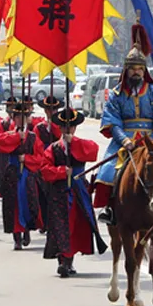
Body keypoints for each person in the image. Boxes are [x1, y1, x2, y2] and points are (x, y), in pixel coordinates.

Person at [94, 20, 153, 224]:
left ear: (144, 70)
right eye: (132, 69)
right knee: (108, 172)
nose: (136, 72)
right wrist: (124, 140)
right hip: (125, 141)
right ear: (126, 70)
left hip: (152, 141)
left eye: (139, 69)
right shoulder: (117, 94)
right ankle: (109, 209)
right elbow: (113, 121)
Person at [41, 108, 105, 277]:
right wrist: (62, 171)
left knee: (76, 225)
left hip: (78, 191)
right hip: (59, 192)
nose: (67, 130)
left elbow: (93, 152)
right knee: (60, 225)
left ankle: (69, 261)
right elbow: (45, 171)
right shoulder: (53, 148)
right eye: (64, 127)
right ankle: (62, 260)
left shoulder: (82, 143)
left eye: (70, 127)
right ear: (60, 128)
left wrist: (74, 143)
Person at [0, 102, 45, 250]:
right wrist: (17, 137)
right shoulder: (8, 134)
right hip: (12, 173)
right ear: (14, 118)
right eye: (18, 117)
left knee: (28, 202)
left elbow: (41, 157)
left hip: (28, 173)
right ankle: (16, 236)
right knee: (13, 204)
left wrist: (27, 159)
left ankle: (27, 229)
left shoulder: (33, 137)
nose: (21, 120)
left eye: (24, 117)